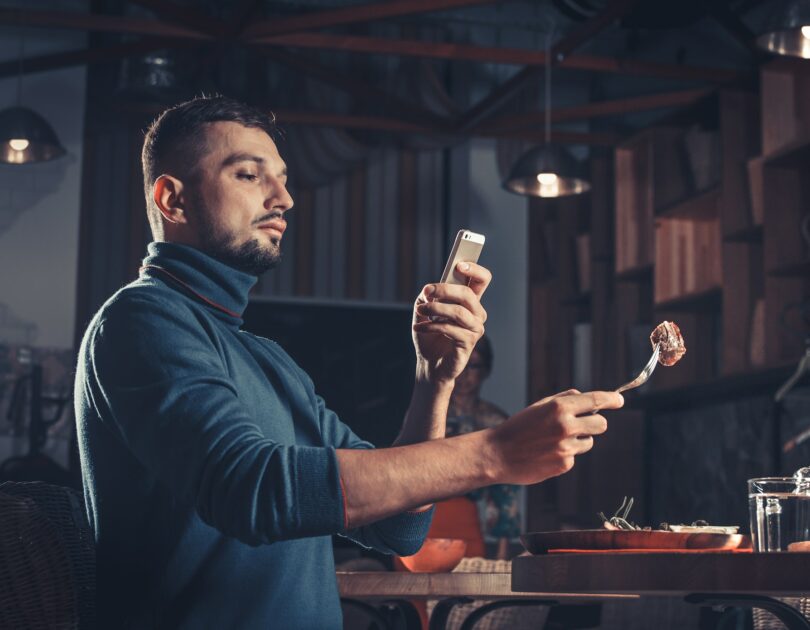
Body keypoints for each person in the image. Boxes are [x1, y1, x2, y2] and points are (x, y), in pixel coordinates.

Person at [74, 95, 624, 629]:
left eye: (284, 178)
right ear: (173, 200)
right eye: (248, 175)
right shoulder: (141, 319)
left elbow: (398, 530)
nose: (283, 198)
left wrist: (432, 382)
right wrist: (494, 452)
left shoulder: (269, 360)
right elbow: (252, 488)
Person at [446, 335, 521, 559]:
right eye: (459, 364)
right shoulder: (427, 416)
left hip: (475, 513)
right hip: (429, 509)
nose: (465, 375)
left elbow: (507, 492)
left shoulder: (496, 421)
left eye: (474, 366)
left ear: (486, 370)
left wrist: (501, 560)